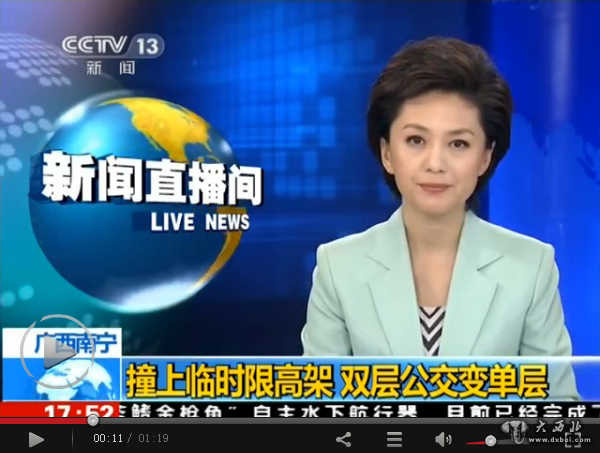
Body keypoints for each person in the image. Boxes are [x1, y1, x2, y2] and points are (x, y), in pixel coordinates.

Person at [301, 37, 579, 399]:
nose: (435, 163)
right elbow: (317, 406)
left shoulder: (530, 267)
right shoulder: (339, 267)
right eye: (416, 140)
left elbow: (558, 409)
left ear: (485, 157)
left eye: (458, 144)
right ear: (387, 152)